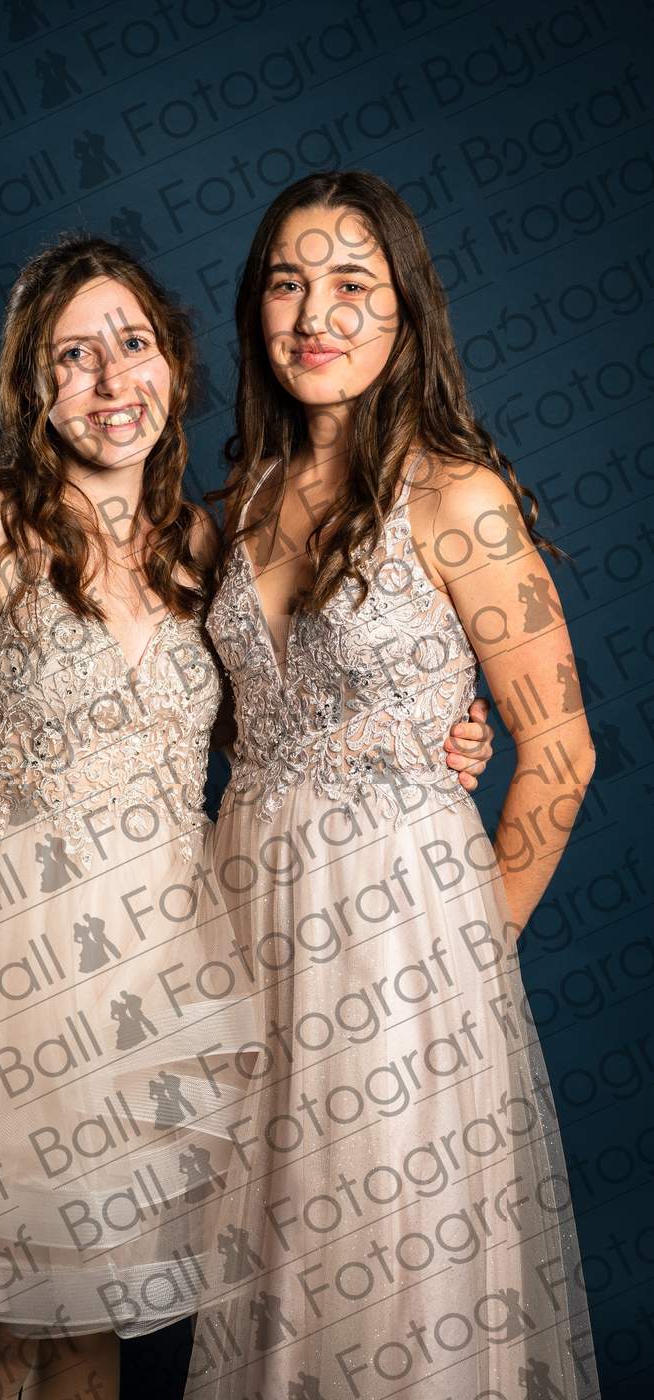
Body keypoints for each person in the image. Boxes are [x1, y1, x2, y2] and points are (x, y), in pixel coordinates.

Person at [0, 232, 494, 1399]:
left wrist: (439, 732)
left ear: (174, 363)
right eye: (73, 355)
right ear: (33, 385)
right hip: (15, 955)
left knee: (92, 1325)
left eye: (133, 343)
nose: (110, 380)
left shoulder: (201, 541)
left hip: (158, 963)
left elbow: (275, 728)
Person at [186, 171, 600, 1400]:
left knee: (397, 1283)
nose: (316, 314)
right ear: (256, 311)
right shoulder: (231, 508)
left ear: (406, 311)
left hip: (405, 949)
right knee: (272, 1271)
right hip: (249, 928)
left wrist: (469, 949)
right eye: (287, 283)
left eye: (352, 284)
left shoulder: (456, 497)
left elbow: (560, 746)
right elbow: (228, 730)